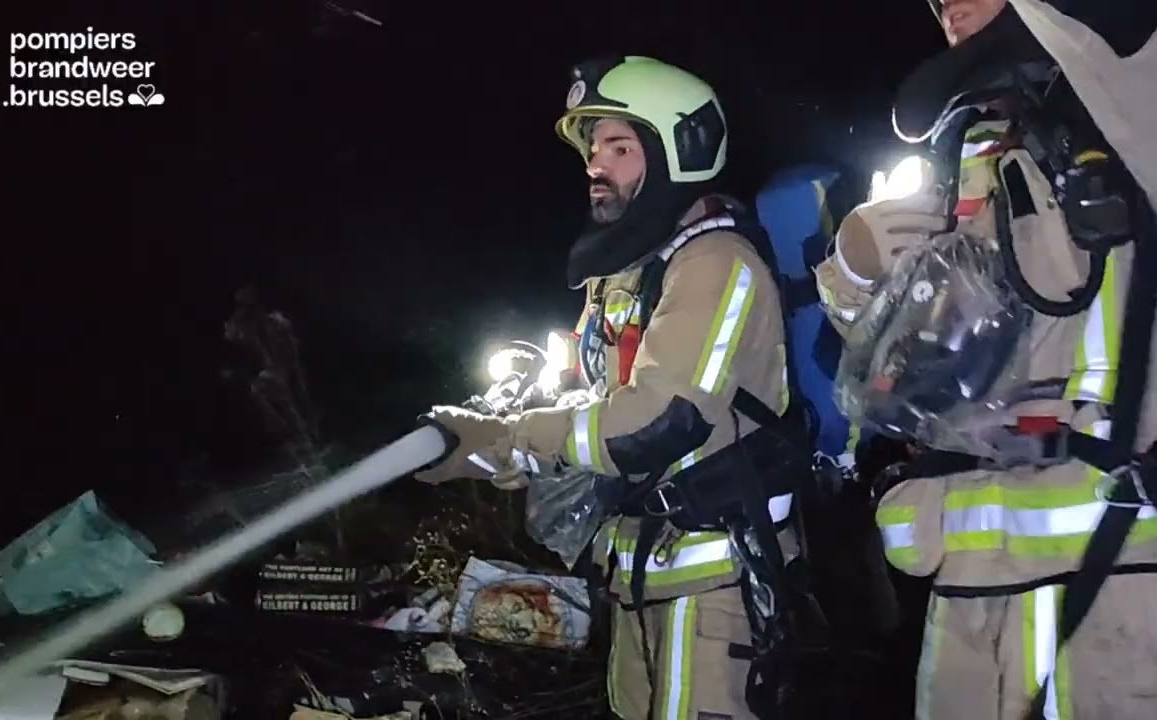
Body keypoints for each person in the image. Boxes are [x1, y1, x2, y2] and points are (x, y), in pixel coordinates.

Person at [412, 56, 806, 720]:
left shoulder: (717, 265)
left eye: (620, 147)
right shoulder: (623, 278)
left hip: (717, 582)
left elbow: (653, 424)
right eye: (593, 149)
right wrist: (486, 445)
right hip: (637, 574)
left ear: (679, 152)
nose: (596, 165)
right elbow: (587, 411)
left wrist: (515, 436)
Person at [815, 1, 1157, 718]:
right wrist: (854, 276)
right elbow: (901, 374)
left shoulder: (1130, 98)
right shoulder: (963, 153)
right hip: (968, 580)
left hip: (1116, 584)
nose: (948, 5)